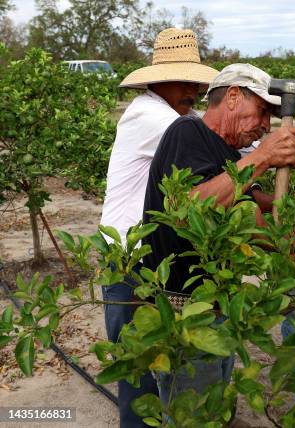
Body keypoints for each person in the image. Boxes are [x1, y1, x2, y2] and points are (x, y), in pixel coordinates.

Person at [141, 63, 295, 405]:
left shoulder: (225, 152)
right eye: (262, 111)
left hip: (217, 310)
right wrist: (263, 157)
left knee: (217, 405)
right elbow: (194, 206)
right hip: (183, 315)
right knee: (194, 412)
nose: (265, 125)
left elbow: (248, 202)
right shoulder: (187, 131)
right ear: (233, 96)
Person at [99, 28, 219, 428]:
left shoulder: (177, 117)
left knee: (158, 360)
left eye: (196, 83)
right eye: (184, 81)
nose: (193, 91)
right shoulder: (153, 117)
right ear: (158, 80)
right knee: (138, 368)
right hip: (128, 260)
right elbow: (218, 141)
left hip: (148, 258)